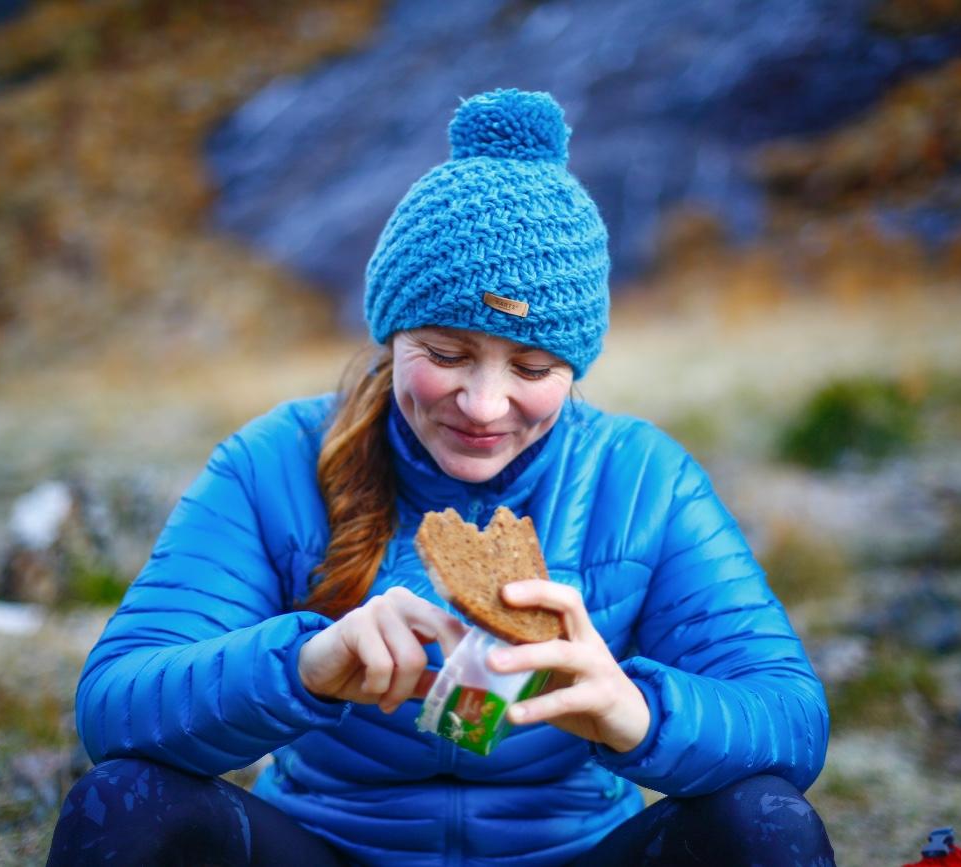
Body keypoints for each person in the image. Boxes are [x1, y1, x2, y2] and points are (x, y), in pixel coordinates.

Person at [47, 88, 835, 866]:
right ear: (394, 337)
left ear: (573, 367)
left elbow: (791, 718)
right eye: (447, 355)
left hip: (573, 852)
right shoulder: (273, 461)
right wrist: (301, 663)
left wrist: (638, 711)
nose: (485, 404)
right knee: (124, 800)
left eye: (531, 366)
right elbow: (116, 702)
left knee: (763, 819)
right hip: (328, 847)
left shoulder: (642, 478)